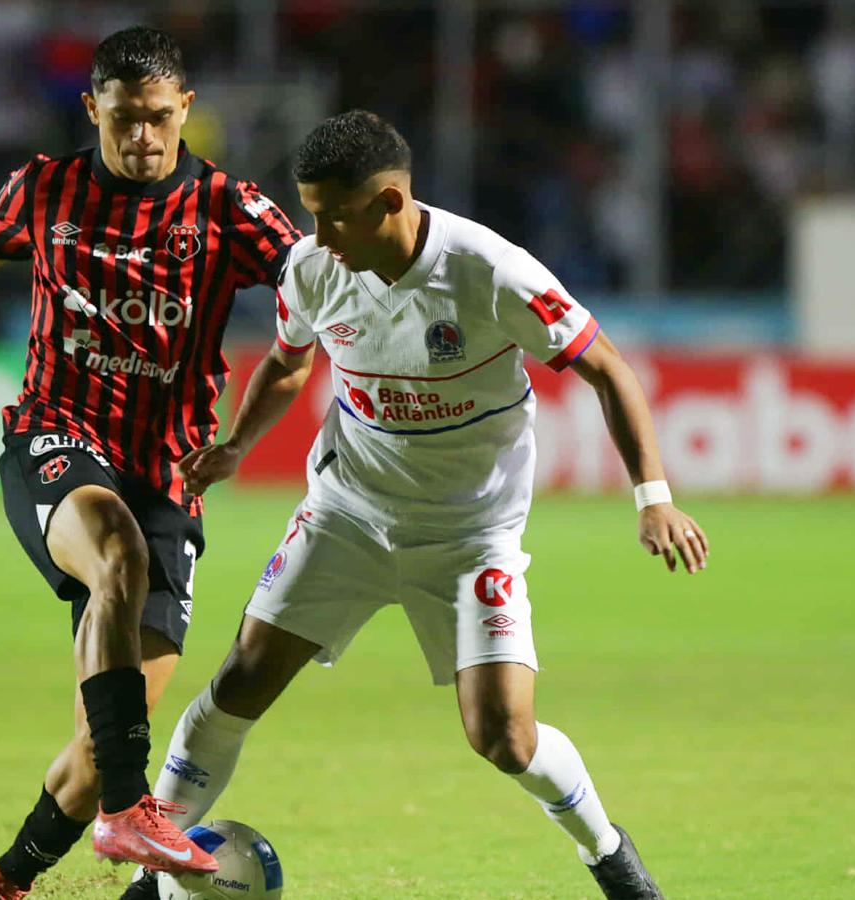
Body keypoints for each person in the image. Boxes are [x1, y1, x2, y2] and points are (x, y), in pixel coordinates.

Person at [127, 110, 709, 900]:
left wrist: (654, 497)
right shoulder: (312, 268)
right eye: (311, 214)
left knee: (503, 737)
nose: (318, 236)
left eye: (336, 215)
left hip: (471, 535)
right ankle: (150, 874)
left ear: (390, 202)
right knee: (242, 680)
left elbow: (606, 367)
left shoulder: (490, 272)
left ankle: (608, 853)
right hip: (347, 514)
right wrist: (236, 444)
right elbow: (290, 363)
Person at [0, 27, 301, 900]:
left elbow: (318, 305)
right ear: (90, 108)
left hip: (167, 480)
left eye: (158, 118)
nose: (141, 138)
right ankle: (129, 809)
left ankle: (5, 884)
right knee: (115, 551)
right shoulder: (46, 189)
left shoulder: (231, 208)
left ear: (186, 108)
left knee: (100, 743)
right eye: (122, 118)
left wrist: (239, 441)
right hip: (56, 437)